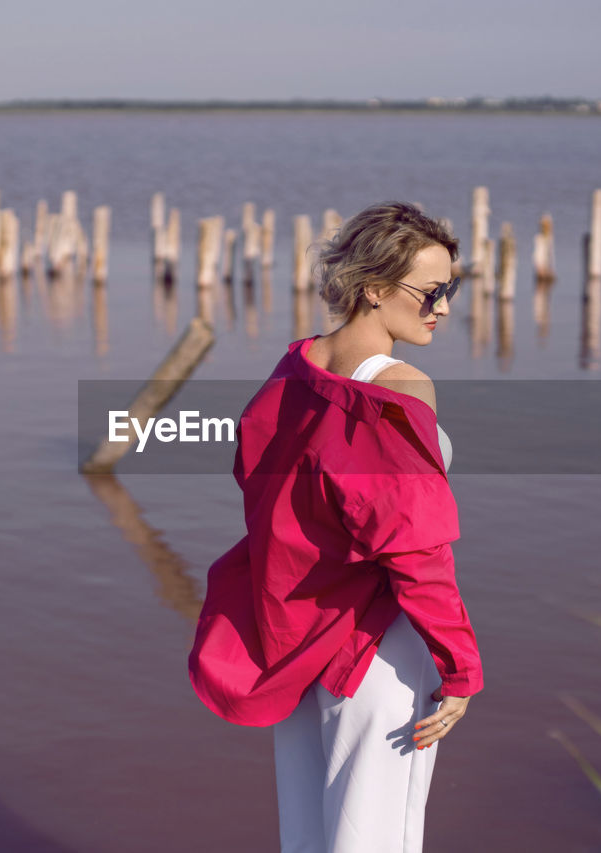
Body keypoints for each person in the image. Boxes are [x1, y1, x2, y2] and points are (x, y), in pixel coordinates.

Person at [188, 201, 483, 853]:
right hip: (379, 652)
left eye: (451, 289)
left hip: (298, 644)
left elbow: (261, 491)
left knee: (309, 841)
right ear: (374, 289)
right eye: (432, 292)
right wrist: (461, 669)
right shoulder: (402, 388)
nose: (444, 308)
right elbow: (417, 551)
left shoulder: (292, 371)